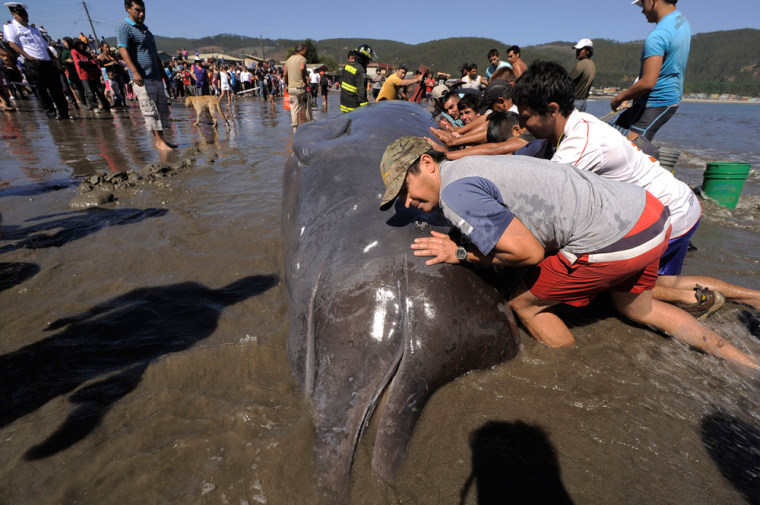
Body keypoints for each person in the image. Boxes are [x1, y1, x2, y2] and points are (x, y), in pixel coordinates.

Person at [376, 136, 759, 370]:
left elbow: (528, 252)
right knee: (637, 308)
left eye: (406, 190)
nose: (409, 202)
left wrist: (460, 254)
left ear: (427, 162)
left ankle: (569, 369)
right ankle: (745, 363)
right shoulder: (473, 165)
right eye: (400, 200)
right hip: (651, 217)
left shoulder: (455, 192)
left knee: (523, 304)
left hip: (613, 239)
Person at [513, 60, 760, 315]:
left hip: (669, 215)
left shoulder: (577, 147)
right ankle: (747, 297)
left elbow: (546, 209)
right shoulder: (579, 122)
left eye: (525, 117)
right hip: (679, 203)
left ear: (552, 110)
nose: (521, 125)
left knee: (614, 287)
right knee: (666, 284)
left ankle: (702, 300)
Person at [611, 0, 690, 141]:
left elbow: (648, 82)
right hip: (653, 99)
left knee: (633, 146)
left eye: (642, 5)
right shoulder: (680, 19)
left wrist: (619, 98)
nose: (642, 11)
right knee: (612, 131)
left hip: (659, 102)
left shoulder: (658, 36)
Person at [117, 0, 176, 150]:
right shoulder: (124, 27)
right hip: (141, 77)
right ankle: (159, 141)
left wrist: (165, 78)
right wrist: (135, 71)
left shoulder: (147, 31)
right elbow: (123, 49)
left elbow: (155, 56)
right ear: (128, 8)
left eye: (143, 10)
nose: (142, 14)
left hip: (155, 75)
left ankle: (162, 140)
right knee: (150, 110)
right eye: (138, 10)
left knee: (161, 109)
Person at [3, 2, 70, 119]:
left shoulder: (33, 29)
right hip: (33, 62)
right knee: (42, 90)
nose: (25, 17)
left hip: (47, 61)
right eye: (21, 15)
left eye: (26, 15)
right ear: (13, 14)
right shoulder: (10, 27)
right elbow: (12, 44)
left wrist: (54, 60)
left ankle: (64, 113)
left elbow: (45, 46)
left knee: (57, 88)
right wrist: (28, 56)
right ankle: (51, 113)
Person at [72, 39, 110, 112]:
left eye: (82, 44)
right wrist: (88, 63)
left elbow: (93, 62)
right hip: (83, 75)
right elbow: (78, 62)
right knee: (89, 92)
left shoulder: (87, 53)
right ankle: (94, 106)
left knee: (100, 91)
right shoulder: (74, 51)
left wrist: (88, 63)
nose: (81, 46)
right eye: (79, 45)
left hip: (93, 74)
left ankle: (106, 106)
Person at [283, 41, 311, 132]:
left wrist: (286, 84)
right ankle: (310, 126)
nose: (306, 52)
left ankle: (295, 130)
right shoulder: (302, 59)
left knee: (294, 109)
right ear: (301, 50)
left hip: (291, 89)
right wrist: (304, 80)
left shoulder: (289, 59)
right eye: (305, 50)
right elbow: (302, 68)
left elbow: (284, 74)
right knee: (306, 107)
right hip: (300, 88)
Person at [340, 44, 375, 112]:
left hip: (344, 102)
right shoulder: (361, 71)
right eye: (368, 60)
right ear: (364, 58)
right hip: (353, 104)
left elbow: (341, 82)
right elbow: (361, 92)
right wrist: (365, 108)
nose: (368, 63)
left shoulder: (347, 66)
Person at [569, 38, 595, 112]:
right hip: (583, 102)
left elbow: (568, 81)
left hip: (575, 101)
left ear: (587, 51)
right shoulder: (591, 64)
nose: (577, 52)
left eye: (580, 50)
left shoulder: (582, 64)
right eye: (577, 50)